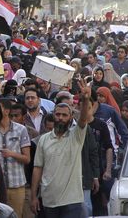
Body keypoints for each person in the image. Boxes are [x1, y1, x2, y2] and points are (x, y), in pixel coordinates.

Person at [30, 80, 91, 218]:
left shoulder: (76, 136)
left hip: (72, 201)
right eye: (58, 115)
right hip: (48, 200)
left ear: (70, 118)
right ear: (53, 115)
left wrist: (86, 100)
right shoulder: (44, 139)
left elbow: (83, 120)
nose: (61, 118)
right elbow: (37, 168)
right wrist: (33, 196)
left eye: (65, 115)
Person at [0, 98, 31, 217]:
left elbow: (27, 159)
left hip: (16, 186)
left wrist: (12, 154)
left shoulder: (21, 129)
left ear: (6, 111)